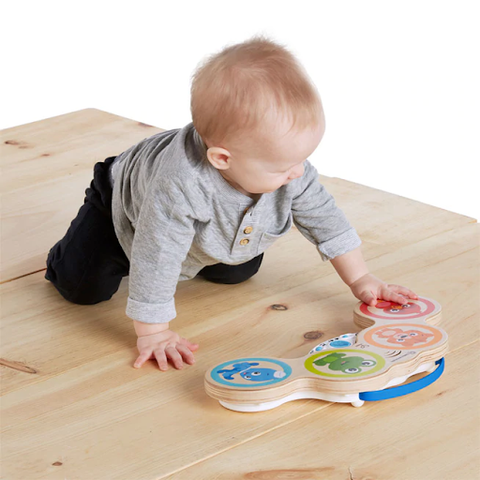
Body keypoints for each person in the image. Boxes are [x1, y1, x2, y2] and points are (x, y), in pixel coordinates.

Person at [45, 35, 418, 372]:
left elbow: (326, 219)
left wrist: (361, 279)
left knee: (237, 270)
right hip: (121, 205)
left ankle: (206, 254)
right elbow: (156, 253)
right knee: (84, 287)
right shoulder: (181, 183)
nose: (297, 172)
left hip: (205, 220)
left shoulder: (287, 167)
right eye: (283, 167)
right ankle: (68, 256)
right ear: (222, 158)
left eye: (301, 160)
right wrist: (153, 332)